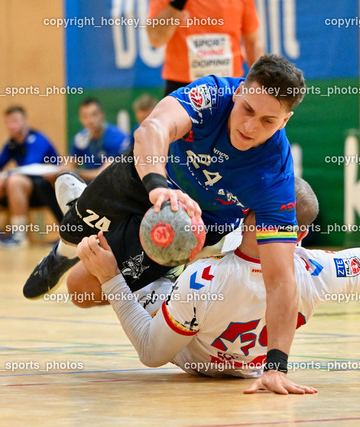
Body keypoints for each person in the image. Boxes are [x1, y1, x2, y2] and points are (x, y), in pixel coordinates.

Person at [74, 117, 360, 394]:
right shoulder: (316, 270)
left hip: (181, 325)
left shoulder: (203, 281)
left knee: (81, 287)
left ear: (248, 207)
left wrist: (111, 278)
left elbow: (152, 353)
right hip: (243, 360)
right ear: (302, 235)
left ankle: (92, 215)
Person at [24, 54, 307, 394]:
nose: (250, 127)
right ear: (238, 91)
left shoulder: (275, 175)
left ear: (285, 121)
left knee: (82, 290)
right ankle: (61, 253)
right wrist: (157, 186)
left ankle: (160, 269)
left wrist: (276, 366)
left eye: (268, 121)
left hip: (190, 222)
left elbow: (281, 280)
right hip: (148, 176)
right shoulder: (212, 94)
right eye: (247, 109)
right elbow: (152, 128)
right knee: (73, 229)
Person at [0, 105, 62, 247]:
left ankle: (19, 235)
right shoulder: (11, 144)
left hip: (44, 191)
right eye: (7, 122)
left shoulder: (38, 139)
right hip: (18, 191)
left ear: (25, 121)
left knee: (14, 181)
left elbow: (29, 166)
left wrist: (3, 177)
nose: (11, 126)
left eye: (14, 121)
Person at [148, 0, 264, 95]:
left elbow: (253, 42)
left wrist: (262, 85)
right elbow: (155, 39)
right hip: (182, 87)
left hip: (229, 86)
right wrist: (177, 3)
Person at [70, 98, 129, 181]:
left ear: (102, 115)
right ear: (80, 119)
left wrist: (75, 173)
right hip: (89, 185)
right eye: (85, 116)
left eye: (94, 115)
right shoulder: (79, 138)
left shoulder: (117, 138)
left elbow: (104, 173)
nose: (90, 120)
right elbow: (69, 165)